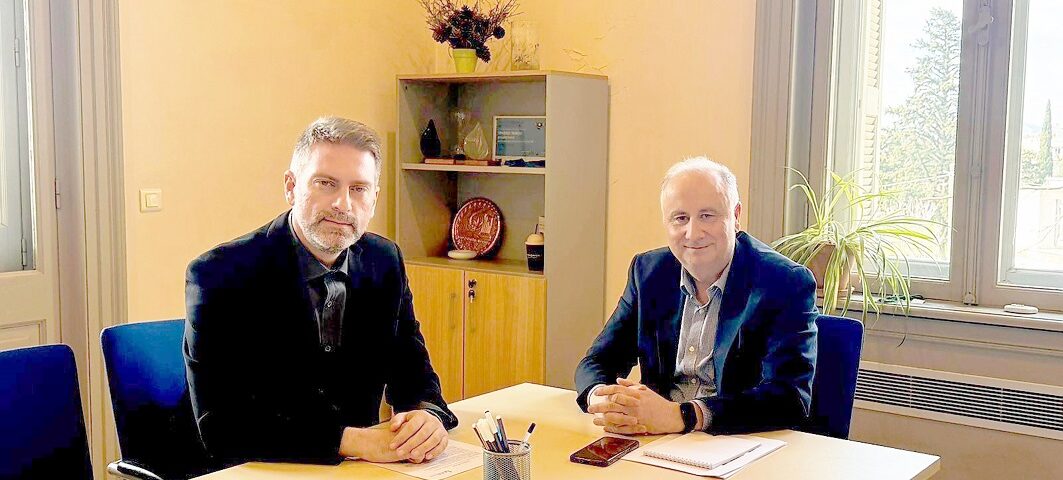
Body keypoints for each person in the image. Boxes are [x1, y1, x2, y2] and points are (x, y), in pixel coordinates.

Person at [184, 117, 455, 468]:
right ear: (291, 187)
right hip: (255, 470)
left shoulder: (384, 260)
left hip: (358, 471)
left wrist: (427, 417)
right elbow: (222, 426)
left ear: (374, 199)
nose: (343, 204)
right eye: (326, 184)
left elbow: (414, 372)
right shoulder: (219, 274)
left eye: (359, 189)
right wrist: (351, 440)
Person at [574, 156, 818, 435]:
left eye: (707, 216)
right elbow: (597, 361)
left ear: (735, 216)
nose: (693, 233)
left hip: (738, 442)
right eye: (680, 218)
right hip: (657, 441)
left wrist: (683, 416)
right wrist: (603, 400)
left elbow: (789, 398)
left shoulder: (784, 282)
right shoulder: (649, 272)